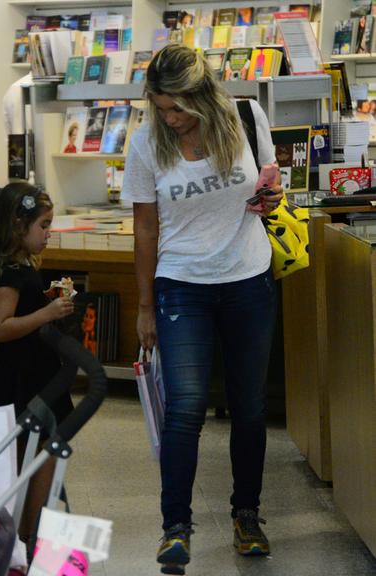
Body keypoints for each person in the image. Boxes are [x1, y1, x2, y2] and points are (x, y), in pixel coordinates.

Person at [121, 43, 283, 573]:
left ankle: (247, 515)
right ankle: (175, 527)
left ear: (206, 97)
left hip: (248, 278)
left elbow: (270, 186)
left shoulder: (245, 117)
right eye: (162, 107)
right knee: (186, 408)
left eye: (180, 109)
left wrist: (272, 198)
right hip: (181, 284)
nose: (170, 119)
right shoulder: (146, 143)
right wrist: (145, 304)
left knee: (250, 406)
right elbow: (146, 227)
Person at [0, 182, 75, 558]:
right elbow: (2, 328)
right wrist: (46, 313)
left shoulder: (23, 269)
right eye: (44, 226)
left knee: (45, 461)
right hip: (20, 384)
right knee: (32, 465)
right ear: (20, 226)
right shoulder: (13, 274)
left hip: (38, 377)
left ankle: (31, 541)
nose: (49, 233)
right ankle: (24, 543)